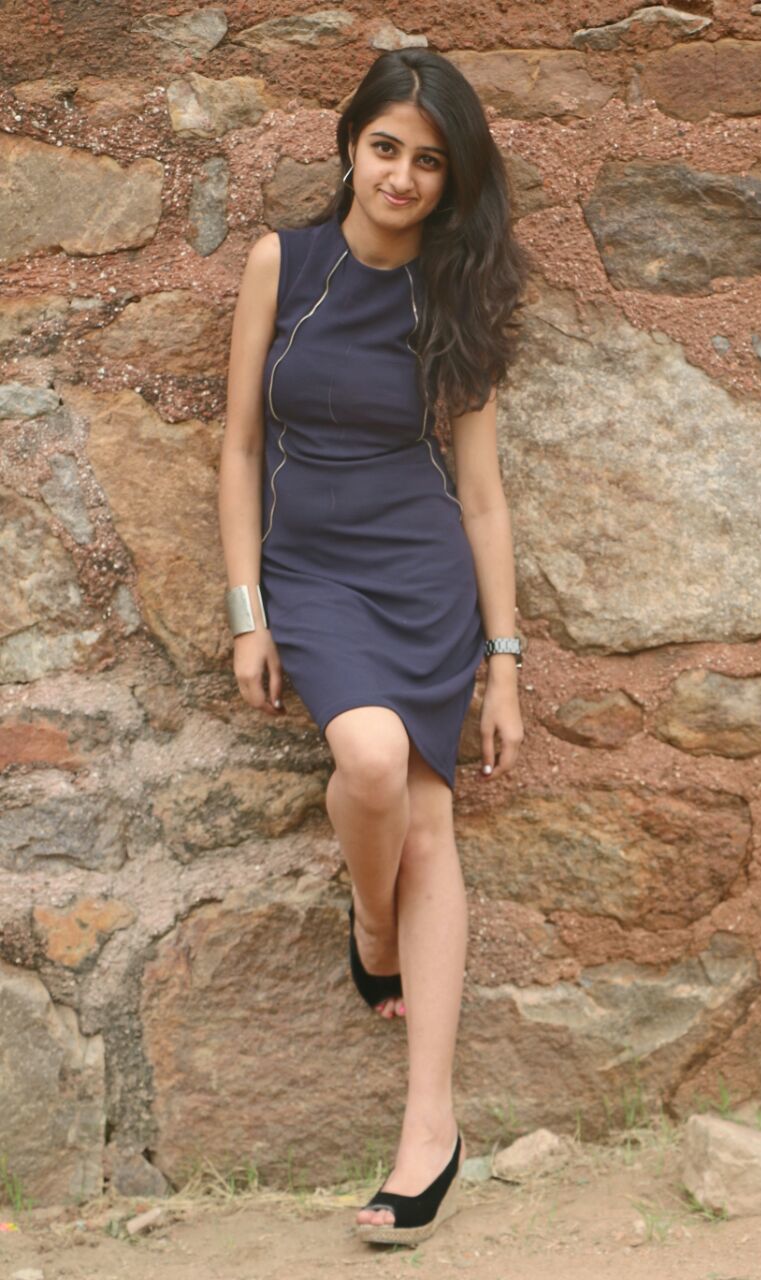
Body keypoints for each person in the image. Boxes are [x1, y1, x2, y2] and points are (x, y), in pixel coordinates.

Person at [218, 47, 528, 1247]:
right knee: (368, 761)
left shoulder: (456, 291)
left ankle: (428, 1130)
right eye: (386, 147)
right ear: (350, 145)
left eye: (429, 160)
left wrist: (504, 659)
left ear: (452, 180)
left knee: (430, 823)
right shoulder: (282, 264)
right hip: (310, 576)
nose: (402, 175)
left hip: (420, 574)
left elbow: (482, 494)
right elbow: (241, 447)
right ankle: (374, 923)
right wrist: (247, 609)